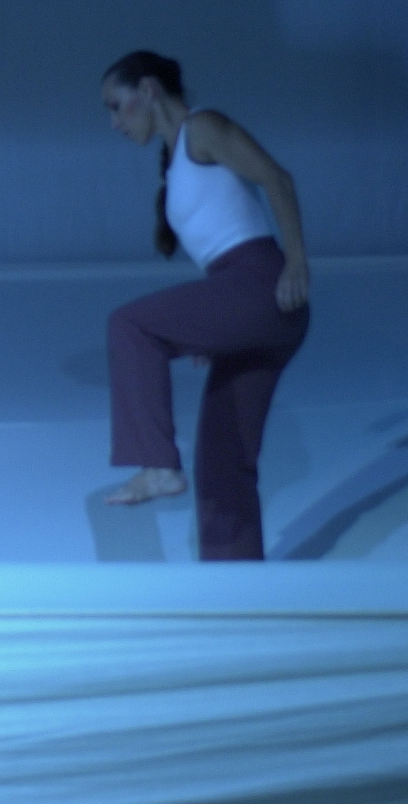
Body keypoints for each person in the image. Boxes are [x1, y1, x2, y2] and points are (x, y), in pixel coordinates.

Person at [98, 52, 309, 560]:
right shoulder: (175, 164)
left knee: (129, 326)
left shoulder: (203, 128)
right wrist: (211, 327)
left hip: (263, 285)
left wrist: (297, 263)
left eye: (117, 106)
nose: (115, 123)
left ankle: (158, 464)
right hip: (250, 304)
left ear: (148, 90)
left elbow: (277, 180)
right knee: (221, 465)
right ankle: (238, 588)